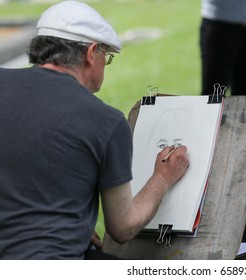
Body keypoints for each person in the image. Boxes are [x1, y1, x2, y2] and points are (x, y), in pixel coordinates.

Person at [0, 1, 189, 260]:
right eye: (106, 57)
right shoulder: (105, 121)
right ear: (91, 53)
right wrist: (164, 177)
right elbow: (123, 226)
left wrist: (70, 225)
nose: (104, 66)